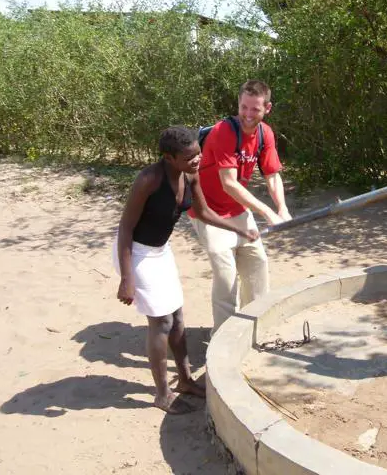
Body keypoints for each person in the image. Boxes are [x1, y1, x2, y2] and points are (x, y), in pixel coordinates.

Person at [114, 126, 259, 413]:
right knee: (162, 323)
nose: (197, 160)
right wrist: (126, 278)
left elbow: (203, 212)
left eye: (198, 153)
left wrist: (238, 229)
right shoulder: (149, 180)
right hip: (137, 253)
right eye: (189, 156)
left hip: (160, 252)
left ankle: (185, 380)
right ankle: (161, 394)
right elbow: (125, 228)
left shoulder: (191, 175)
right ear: (169, 157)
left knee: (178, 319)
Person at [190, 80, 292, 333]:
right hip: (208, 211)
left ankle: (253, 328)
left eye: (254, 109)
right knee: (226, 277)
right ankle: (223, 339)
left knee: (257, 266)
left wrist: (283, 209)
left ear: (267, 108)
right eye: (243, 107)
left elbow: (272, 176)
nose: (247, 114)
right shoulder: (224, 131)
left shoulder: (265, 134)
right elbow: (229, 184)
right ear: (238, 103)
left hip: (237, 209)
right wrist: (267, 212)